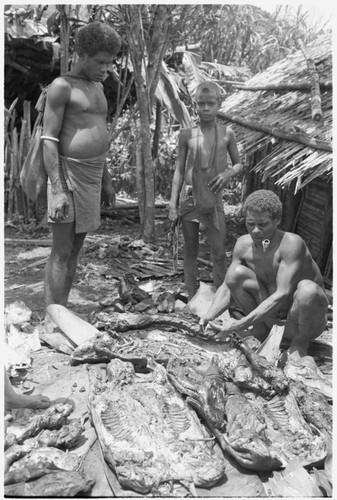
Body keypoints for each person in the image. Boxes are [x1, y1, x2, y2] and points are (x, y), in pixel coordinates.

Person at [42, 22, 121, 309]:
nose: (106, 68)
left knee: (75, 249)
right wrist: (58, 189)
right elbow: (49, 140)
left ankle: (61, 312)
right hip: (68, 176)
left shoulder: (98, 87)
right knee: (61, 250)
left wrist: (107, 181)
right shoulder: (62, 87)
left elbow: (99, 134)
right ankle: (51, 319)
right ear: (82, 54)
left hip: (92, 175)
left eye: (110, 62)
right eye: (101, 62)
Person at [200, 189, 328, 357]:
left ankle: (299, 345)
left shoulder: (292, 244)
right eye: (250, 224)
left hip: (300, 323)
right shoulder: (243, 245)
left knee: (307, 290)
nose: (255, 231)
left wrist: (240, 324)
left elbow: (283, 293)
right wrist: (208, 317)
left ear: (277, 220)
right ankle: (260, 332)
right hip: (268, 319)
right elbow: (226, 287)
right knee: (235, 274)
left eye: (262, 224)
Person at [168, 82, 243, 301]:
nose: (206, 108)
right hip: (190, 198)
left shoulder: (227, 133)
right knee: (191, 251)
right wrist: (173, 205)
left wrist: (228, 174)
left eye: (211, 104)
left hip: (214, 198)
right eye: (201, 104)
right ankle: (193, 300)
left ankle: (219, 301)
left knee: (219, 253)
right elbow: (179, 171)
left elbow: (239, 164)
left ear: (219, 105)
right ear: (195, 106)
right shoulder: (186, 135)